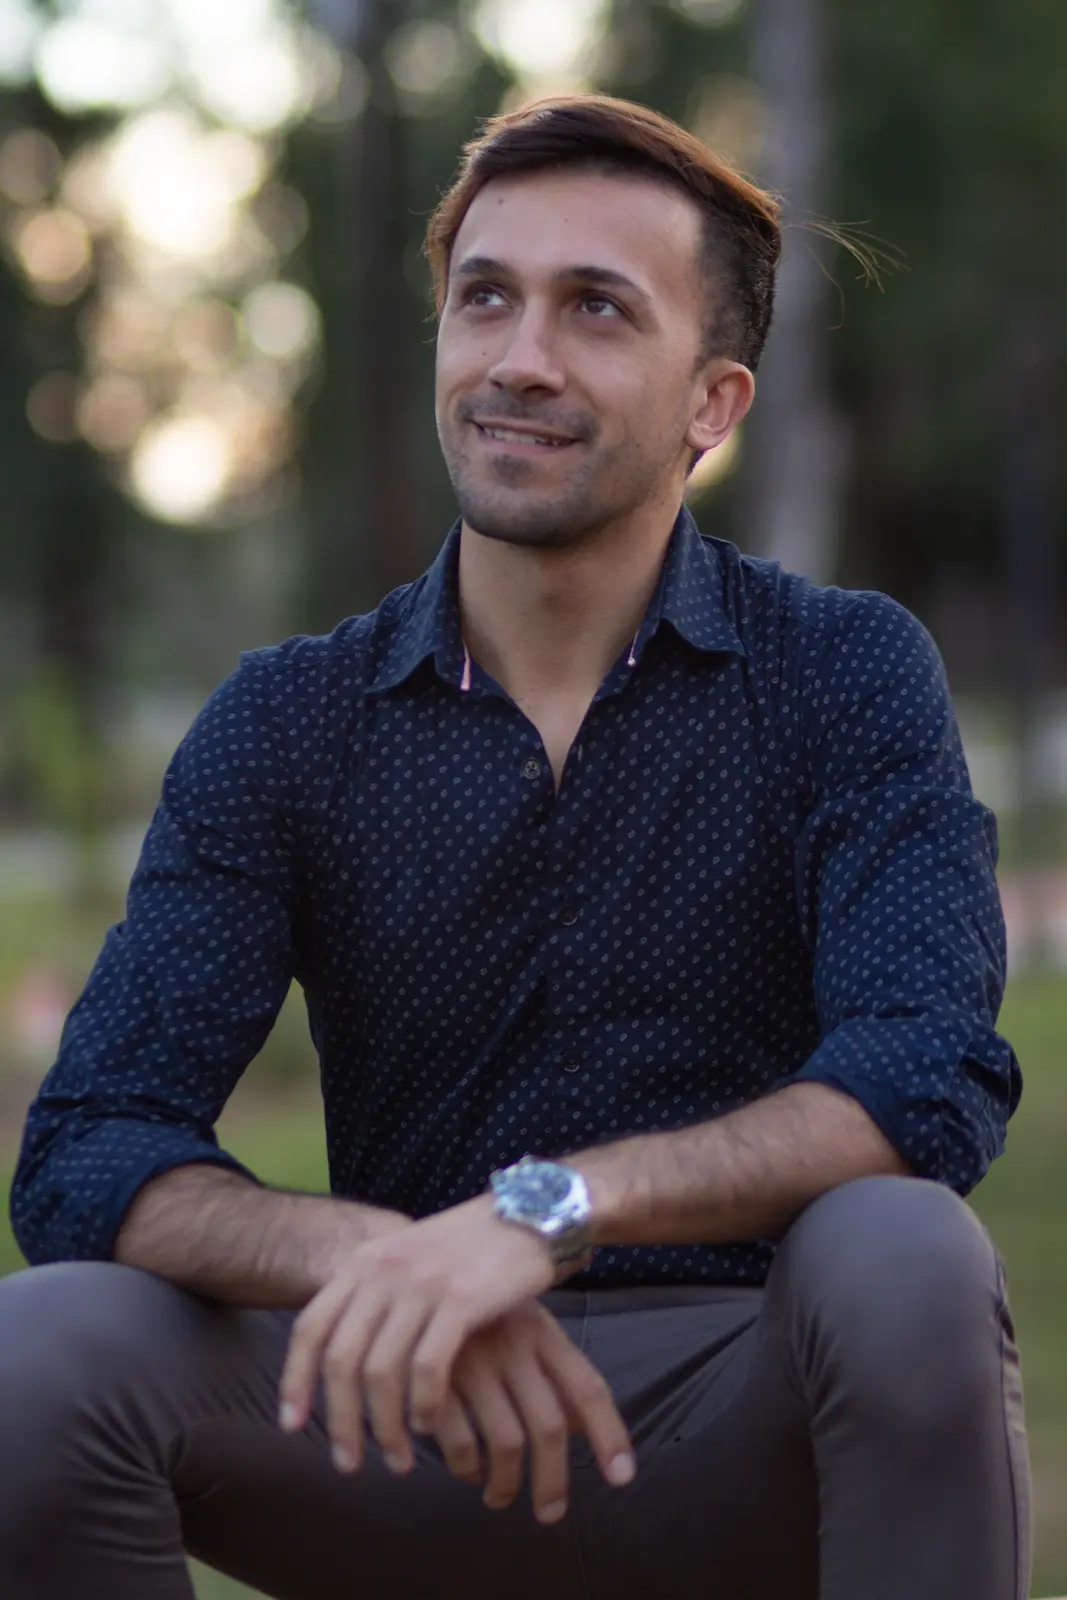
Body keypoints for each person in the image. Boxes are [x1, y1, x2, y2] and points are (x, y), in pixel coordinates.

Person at [0, 94, 1029, 1600]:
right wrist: (383, 1260)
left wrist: (534, 1216)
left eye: (596, 310)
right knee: (39, 1350)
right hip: (409, 1415)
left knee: (901, 1253)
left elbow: (923, 1073)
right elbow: (89, 1150)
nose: (519, 358)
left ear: (713, 403)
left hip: (747, 1415)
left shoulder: (841, 673)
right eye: (485, 297)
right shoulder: (290, 721)